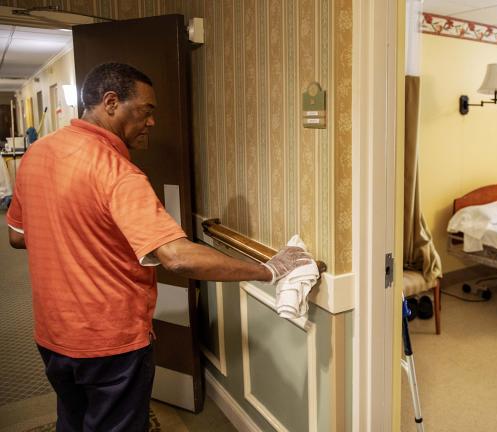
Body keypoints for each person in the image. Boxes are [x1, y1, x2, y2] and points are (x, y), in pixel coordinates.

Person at [5, 62, 312, 432]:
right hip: (109, 343)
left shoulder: (38, 153)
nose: (152, 122)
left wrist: (78, 237)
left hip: (52, 333)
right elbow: (178, 258)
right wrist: (271, 269)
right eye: (146, 110)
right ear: (111, 102)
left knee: (72, 419)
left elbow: (18, 236)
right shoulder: (117, 172)